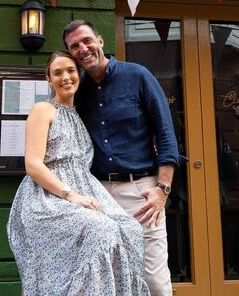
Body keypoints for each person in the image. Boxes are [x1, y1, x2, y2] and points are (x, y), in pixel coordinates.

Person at [7, 51, 150, 296]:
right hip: (47, 198)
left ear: (79, 75)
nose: (65, 77)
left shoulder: (79, 115)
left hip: (85, 189)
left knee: (130, 230)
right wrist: (71, 195)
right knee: (100, 229)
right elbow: (32, 165)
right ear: (48, 80)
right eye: (57, 72)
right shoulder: (43, 109)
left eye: (71, 71)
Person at [63, 20, 181, 296]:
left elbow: (166, 135)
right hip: (98, 196)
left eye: (87, 40)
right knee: (109, 277)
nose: (83, 48)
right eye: (75, 46)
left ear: (100, 41)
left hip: (141, 192)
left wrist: (162, 189)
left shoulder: (138, 75)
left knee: (153, 278)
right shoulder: (77, 92)